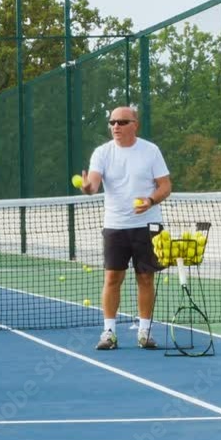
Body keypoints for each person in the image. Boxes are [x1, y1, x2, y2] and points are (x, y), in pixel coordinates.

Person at [79, 106, 171, 350]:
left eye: (121, 122)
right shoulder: (102, 153)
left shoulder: (151, 151)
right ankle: (109, 333)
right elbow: (94, 183)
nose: (115, 127)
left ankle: (144, 332)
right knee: (112, 278)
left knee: (146, 279)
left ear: (135, 125)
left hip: (148, 225)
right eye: (112, 123)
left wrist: (150, 200)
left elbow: (165, 186)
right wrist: (88, 188)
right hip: (115, 226)